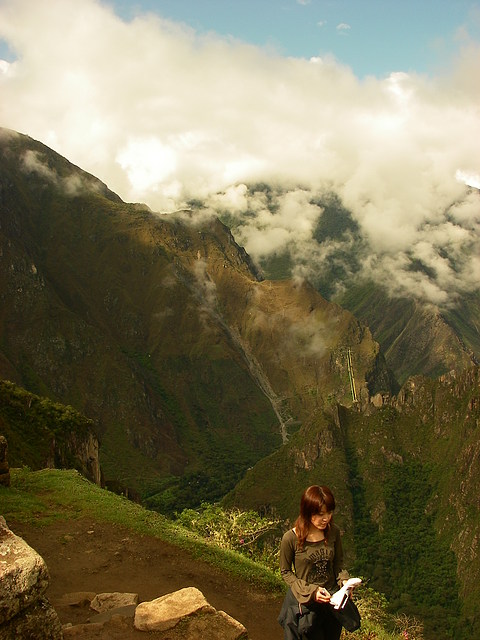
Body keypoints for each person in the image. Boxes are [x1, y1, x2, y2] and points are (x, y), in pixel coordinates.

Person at [278, 485, 349, 640]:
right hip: (306, 603)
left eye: (329, 512)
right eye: (320, 514)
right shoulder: (291, 539)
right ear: (308, 512)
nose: (326, 518)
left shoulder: (334, 532)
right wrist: (312, 592)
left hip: (331, 602)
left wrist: (344, 581)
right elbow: (286, 572)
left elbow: (338, 564)